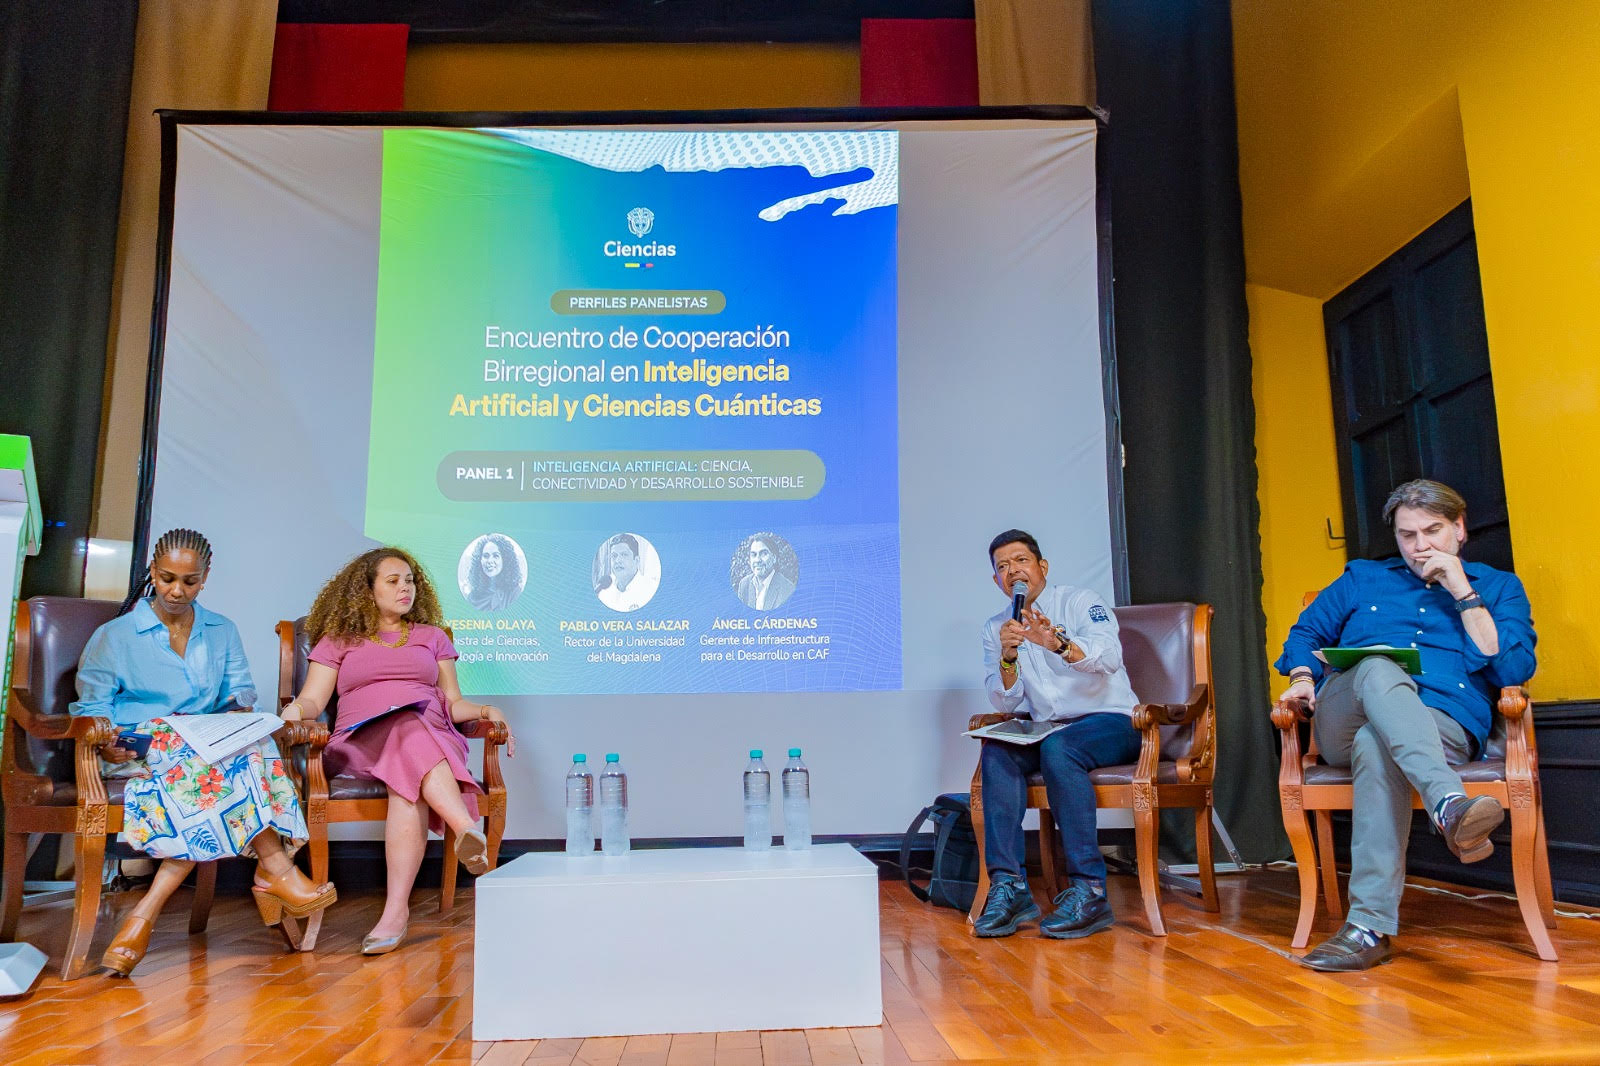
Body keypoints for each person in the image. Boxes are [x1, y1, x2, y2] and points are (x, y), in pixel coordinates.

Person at [1276, 479, 1536, 972]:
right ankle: (1449, 803)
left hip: (1442, 722)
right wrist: (1304, 676)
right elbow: (1305, 632)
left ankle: (1367, 928)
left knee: (1380, 745)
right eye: (1407, 535)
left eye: (1433, 531)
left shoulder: (1499, 587)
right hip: (1344, 718)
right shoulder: (1362, 578)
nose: (1421, 547)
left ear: (1459, 528)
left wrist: (1462, 591)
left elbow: (1512, 671)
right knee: (1377, 666)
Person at [71, 528, 334, 976]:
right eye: (167, 578)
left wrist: (237, 713)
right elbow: (93, 711)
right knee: (217, 763)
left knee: (249, 743)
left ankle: (144, 916)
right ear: (152, 571)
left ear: (205, 577)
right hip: (143, 747)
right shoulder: (115, 636)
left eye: (189, 581)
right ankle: (275, 869)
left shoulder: (221, 630)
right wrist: (110, 743)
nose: (177, 590)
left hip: (206, 749)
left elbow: (239, 693)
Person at [283, 547, 516, 955]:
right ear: (366, 590)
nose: (405, 588)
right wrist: (294, 711)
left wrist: (485, 710)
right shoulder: (339, 640)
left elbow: (453, 703)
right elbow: (313, 701)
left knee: (408, 754)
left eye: (409, 580)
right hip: (359, 741)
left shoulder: (433, 637)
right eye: (393, 581)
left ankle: (395, 914)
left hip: (430, 737)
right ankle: (464, 828)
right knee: (404, 725)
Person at [973, 529, 1141, 939]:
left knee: (1062, 748)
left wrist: (1058, 643)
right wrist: (1008, 658)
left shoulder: (1081, 602)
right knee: (997, 748)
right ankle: (1008, 886)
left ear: (1041, 567)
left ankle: (1090, 889)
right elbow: (1007, 702)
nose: (1012, 571)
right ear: (996, 581)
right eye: (1002, 567)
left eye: (1020, 561)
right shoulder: (996, 627)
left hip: (1112, 721)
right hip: (1049, 729)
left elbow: (1110, 657)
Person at [596, 533, 658, 612]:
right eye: (614, 556)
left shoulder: (651, 589)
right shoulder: (604, 591)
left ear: (637, 560)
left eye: (624, 555)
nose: (617, 560)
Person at [464, 533, 524, 613]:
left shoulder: (514, 593)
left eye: (496, 556)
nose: (490, 561)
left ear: (505, 560)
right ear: (480, 560)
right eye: (486, 556)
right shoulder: (472, 597)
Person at [735, 535, 796, 611]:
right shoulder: (744, 584)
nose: (757, 560)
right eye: (754, 554)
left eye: (763, 553)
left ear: (774, 558)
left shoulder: (787, 589)